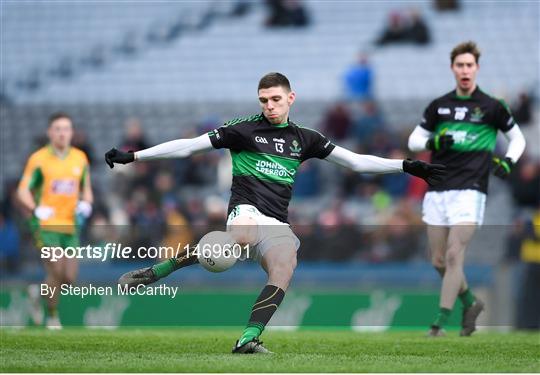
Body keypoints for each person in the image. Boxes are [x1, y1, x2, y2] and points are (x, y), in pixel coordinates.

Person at [105, 72, 446, 353]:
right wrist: (135, 156)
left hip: (277, 222)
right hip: (246, 212)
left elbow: (356, 162)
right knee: (237, 239)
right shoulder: (243, 130)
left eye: (275, 99)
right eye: (263, 100)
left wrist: (406, 166)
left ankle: (248, 339)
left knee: (285, 266)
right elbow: (189, 146)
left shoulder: (305, 138)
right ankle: (155, 272)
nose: (269, 106)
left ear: (290, 98)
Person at [407, 41, 526, 337]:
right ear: (453, 69)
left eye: (469, 65)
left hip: (471, 189)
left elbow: (518, 140)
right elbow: (413, 141)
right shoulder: (439, 105)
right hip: (437, 188)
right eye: (459, 65)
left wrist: (509, 162)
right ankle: (471, 302)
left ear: (476, 69)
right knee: (437, 260)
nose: (464, 70)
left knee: (453, 255)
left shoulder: (492, 107)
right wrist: (434, 142)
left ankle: (439, 324)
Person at [17, 112, 94, 329]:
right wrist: (35, 208)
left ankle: (37, 292)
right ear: (50, 132)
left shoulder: (80, 158)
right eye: (57, 129)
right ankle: (52, 316)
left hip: (70, 225)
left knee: (69, 278)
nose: (62, 133)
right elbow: (22, 191)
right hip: (47, 225)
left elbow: (86, 190)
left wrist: (86, 203)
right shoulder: (39, 159)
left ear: (71, 132)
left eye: (66, 129)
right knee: (56, 270)